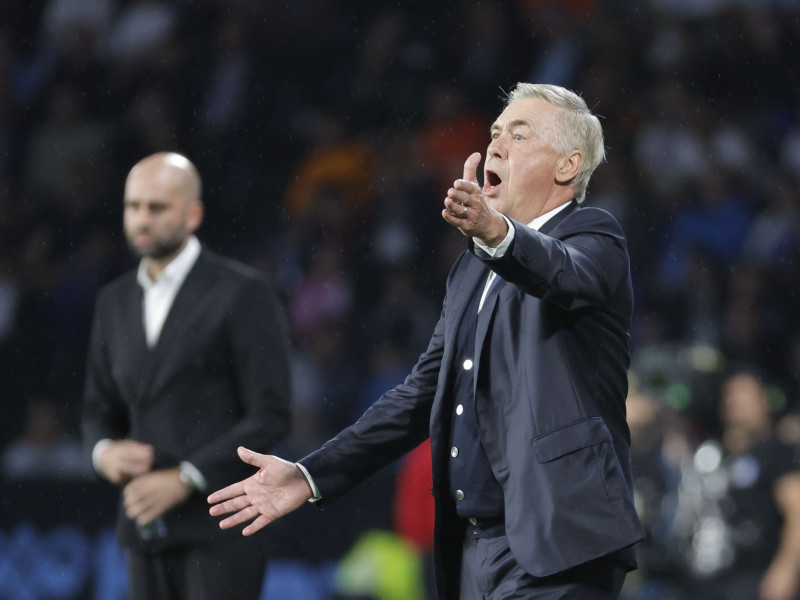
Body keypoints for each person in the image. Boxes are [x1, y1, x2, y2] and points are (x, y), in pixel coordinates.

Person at [209, 83, 644, 599]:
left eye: (519, 135)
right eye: (495, 134)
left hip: (560, 541)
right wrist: (311, 475)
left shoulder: (594, 235)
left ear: (568, 166)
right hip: (474, 553)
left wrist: (497, 232)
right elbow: (419, 395)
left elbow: (564, 275)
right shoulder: (469, 270)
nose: (496, 146)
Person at [82, 152, 292, 600]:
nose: (142, 219)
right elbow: (97, 409)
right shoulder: (112, 301)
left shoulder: (242, 291)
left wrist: (186, 477)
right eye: (133, 206)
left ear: (193, 213)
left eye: (156, 207)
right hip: (143, 529)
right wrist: (105, 453)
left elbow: (271, 415)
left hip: (222, 528)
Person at [672, 370, 800, 600]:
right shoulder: (710, 453)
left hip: (756, 576)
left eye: (747, 396)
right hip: (706, 579)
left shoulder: (777, 452)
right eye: (732, 395)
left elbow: (797, 514)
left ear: (763, 401)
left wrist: (785, 570)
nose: (738, 403)